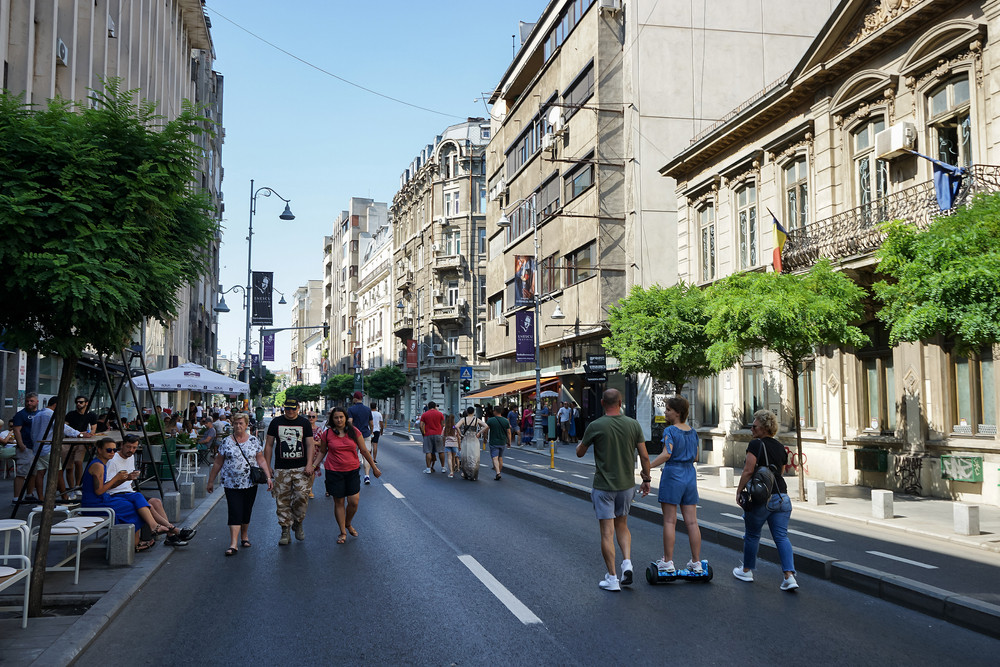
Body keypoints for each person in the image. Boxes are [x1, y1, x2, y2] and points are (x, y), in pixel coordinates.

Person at [576, 388, 652, 592]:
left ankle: (612, 578)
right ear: (620, 403)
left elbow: (580, 453)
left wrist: (585, 442)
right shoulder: (633, 424)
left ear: (602, 403)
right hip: (626, 486)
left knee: (606, 533)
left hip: (603, 487)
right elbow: (645, 456)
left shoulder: (595, 425)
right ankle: (627, 561)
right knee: (622, 525)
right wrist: (646, 478)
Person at [734, 408, 798, 591]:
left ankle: (746, 571)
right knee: (782, 537)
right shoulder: (780, 447)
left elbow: (748, 470)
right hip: (783, 498)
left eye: (754, 425)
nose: (751, 429)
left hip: (762, 499)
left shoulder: (755, 445)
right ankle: (789, 576)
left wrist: (739, 491)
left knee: (753, 534)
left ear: (763, 427)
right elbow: (781, 472)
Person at [81, 437, 169, 552]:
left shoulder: (102, 464)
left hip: (103, 499)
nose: (112, 452)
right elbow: (99, 491)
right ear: (99, 450)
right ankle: (134, 543)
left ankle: (142, 537)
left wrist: (124, 478)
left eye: (114, 449)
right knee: (135, 507)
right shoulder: (98, 465)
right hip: (94, 503)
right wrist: (116, 478)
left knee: (137, 501)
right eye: (108, 450)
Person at [106, 434, 194, 546]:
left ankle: (170, 535)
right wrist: (126, 478)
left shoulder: (131, 457)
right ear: (122, 445)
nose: (131, 450)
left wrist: (130, 477)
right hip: (115, 494)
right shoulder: (112, 460)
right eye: (128, 447)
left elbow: (128, 480)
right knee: (148, 505)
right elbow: (107, 486)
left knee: (156, 501)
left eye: (134, 447)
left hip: (129, 493)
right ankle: (172, 530)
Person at [648, 395, 703, 575]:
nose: (665, 412)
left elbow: (667, 454)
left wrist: (648, 466)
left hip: (673, 474)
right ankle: (696, 562)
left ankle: (667, 561)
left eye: (668, 409)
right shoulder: (693, 432)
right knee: (692, 522)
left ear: (677, 413)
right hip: (689, 474)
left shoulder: (670, 431)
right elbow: (695, 457)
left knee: (670, 521)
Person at [207, 412, 273, 556]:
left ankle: (244, 535)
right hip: (231, 484)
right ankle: (233, 543)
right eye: (236, 423)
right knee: (234, 510)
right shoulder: (226, 442)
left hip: (250, 483)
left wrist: (268, 476)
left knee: (246, 510)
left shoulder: (254, 441)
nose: (238, 426)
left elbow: (261, 460)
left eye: (241, 423)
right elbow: (218, 461)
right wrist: (211, 481)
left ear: (246, 425)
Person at [312, 407, 380, 544]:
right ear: (332, 419)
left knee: (354, 502)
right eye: (336, 418)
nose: (339, 420)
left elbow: (364, 451)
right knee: (339, 502)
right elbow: (322, 451)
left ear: (346, 418)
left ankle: (348, 523)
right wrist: (313, 466)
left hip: (352, 470)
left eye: (341, 417)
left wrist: (374, 467)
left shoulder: (354, 432)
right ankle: (342, 531)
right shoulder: (327, 434)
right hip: (334, 471)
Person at [264, 398, 315, 546]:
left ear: (298, 408)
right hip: (282, 468)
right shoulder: (276, 422)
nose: (290, 411)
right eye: (288, 408)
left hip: (301, 468)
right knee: (282, 500)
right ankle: (285, 530)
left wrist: (309, 464)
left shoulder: (304, 423)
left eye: (293, 408)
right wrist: (267, 466)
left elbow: (310, 445)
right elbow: (268, 445)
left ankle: (298, 522)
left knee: (301, 497)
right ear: (284, 408)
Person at [30, 396, 89, 502]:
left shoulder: (38, 414)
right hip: (48, 448)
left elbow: (33, 433)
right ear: (56, 405)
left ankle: (41, 499)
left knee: (40, 473)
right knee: (58, 472)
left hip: (38, 447)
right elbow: (62, 427)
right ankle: (65, 498)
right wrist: (79, 434)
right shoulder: (50, 414)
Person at [11, 392, 40, 504]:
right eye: (27, 401)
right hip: (25, 447)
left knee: (33, 473)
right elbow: (16, 430)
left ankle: (29, 494)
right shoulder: (21, 414)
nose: (29, 403)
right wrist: (21, 444)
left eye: (31, 401)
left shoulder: (39, 413)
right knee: (21, 473)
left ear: (37, 402)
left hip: (36, 447)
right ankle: (16, 498)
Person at [65, 396, 98, 488]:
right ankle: (71, 488)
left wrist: (88, 436)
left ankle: (77, 485)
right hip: (69, 441)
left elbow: (93, 430)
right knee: (69, 467)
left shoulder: (91, 415)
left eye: (80, 402)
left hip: (82, 442)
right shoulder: (70, 414)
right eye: (77, 402)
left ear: (86, 403)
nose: (78, 404)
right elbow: (65, 427)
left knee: (78, 462)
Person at [347, 391, 375, 485]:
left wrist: (350, 432)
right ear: (361, 398)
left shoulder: (351, 409)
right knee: (366, 455)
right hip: (366, 434)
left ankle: (354, 475)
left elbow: (350, 421)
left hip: (355, 435)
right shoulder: (367, 409)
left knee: (353, 455)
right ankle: (367, 476)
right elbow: (371, 423)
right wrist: (371, 432)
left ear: (355, 398)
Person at [481, 405, 511, 481]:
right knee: (500, 458)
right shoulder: (505, 421)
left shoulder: (491, 420)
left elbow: (486, 430)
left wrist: (485, 438)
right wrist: (509, 442)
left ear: (495, 411)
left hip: (494, 442)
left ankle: (498, 472)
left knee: (495, 457)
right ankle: (499, 472)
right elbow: (509, 432)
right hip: (502, 442)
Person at [457, 407, 485, 481]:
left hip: (466, 439)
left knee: (465, 456)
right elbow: (486, 426)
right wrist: (479, 433)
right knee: (474, 456)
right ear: (473, 412)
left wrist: (461, 435)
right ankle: (473, 474)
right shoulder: (476, 420)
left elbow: (456, 426)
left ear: (467, 412)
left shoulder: (463, 419)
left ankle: (466, 474)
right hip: (474, 439)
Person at [418, 401, 446, 474]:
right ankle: (443, 467)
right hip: (438, 434)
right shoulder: (440, 414)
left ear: (428, 406)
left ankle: (428, 469)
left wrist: (423, 434)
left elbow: (421, 426)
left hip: (428, 434)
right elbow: (443, 424)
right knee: (441, 451)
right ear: (435, 406)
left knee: (428, 451)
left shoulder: (424, 414)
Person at [306, 412, 322, 499]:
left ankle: (310, 489)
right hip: (304, 453)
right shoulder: (304, 428)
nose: (311, 418)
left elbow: (322, 444)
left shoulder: (319, 430)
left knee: (311, 472)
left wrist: (314, 442)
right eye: (309, 417)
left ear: (316, 418)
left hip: (315, 454)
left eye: (313, 417)